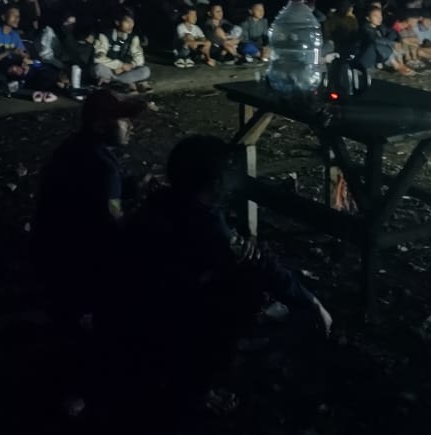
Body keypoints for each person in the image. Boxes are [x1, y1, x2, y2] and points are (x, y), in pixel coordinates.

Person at [110, 136, 332, 422]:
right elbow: (261, 267)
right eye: (228, 172)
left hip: (126, 306)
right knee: (243, 291)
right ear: (214, 182)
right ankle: (192, 388)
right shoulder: (206, 224)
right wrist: (310, 301)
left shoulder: (163, 200)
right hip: (160, 316)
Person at [35, 90, 147, 417]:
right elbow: (112, 223)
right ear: (100, 125)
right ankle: (77, 391)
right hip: (80, 259)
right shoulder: (103, 166)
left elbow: (83, 192)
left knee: (66, 319)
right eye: (123, 120)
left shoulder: (75, 148)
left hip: (51, 247)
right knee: (90, 326)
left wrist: (129, 187)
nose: (131, 127)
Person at [92, 10, 154, 93]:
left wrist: (130, 65)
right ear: (117, 22)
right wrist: (119, 65)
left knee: (145, 70)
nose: (130, 25)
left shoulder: (133, 38)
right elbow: (98, 58)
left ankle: (115, 83)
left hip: (124, 71)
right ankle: (127, 82)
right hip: (109, 69)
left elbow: (139, 58)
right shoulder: (105, 36)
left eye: (132, 22)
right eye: (127, 22)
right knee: (98, 68)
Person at [0, 5, 34, 98]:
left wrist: (25, 60)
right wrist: (8, 52)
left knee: (29, 68)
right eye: (13, 15)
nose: (17, 19)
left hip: (10, 68)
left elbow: (25, 53)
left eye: (18, 16)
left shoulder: (14, 35)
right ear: (3, 17)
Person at [358, 6, 415, 75]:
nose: (379, 18)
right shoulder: (365, 28)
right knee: (376, 44)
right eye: (375, 16)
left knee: (393, 34)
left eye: (380, 15)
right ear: (368, 18)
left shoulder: (380, 27)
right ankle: (397, 66)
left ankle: (401, 64)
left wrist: (399, 41)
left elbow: (392, 32)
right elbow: (375, 39)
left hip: (376, 58)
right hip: (364, 61)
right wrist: (393, 43)